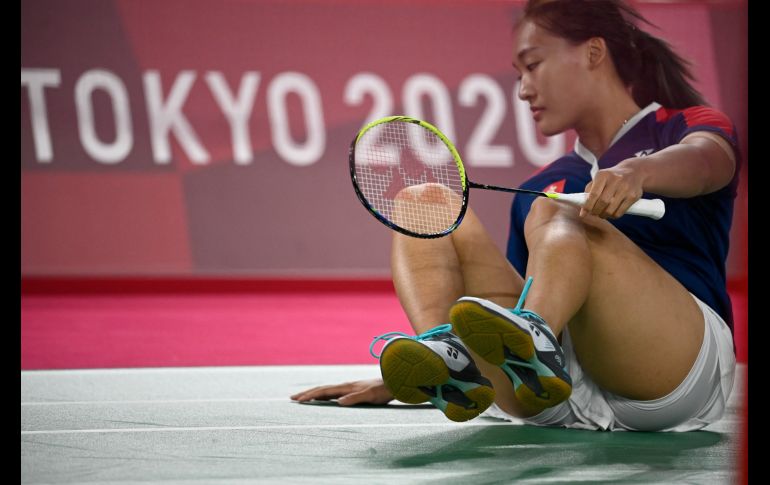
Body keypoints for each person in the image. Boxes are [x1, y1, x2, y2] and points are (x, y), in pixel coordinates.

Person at [291, 0, 739, 432]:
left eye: (533, 65)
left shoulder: (681, 128)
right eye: (519, 74)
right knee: (423, 201)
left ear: (593, 52)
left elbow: (706, 163)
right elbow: (503, 306)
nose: (524, 89)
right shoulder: (540, 184)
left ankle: (535, 340)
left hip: (672, 374)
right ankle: (448, 361)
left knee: (554, 208)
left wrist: (636, 172)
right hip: (554, 392)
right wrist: (400, 381)